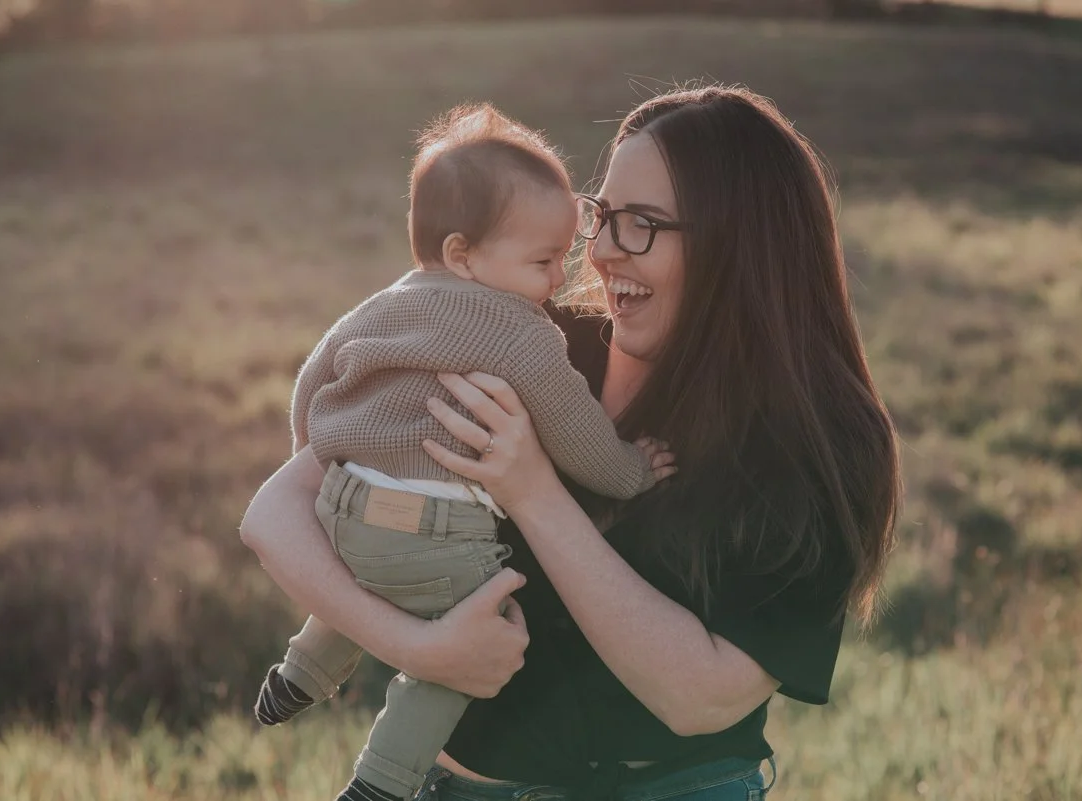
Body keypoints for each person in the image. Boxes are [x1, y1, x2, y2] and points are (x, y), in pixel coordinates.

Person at [241, 84, 901, 801]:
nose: (604, 252)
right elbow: (275, 513)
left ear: (738, 242)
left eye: (642, 224)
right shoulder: (523, 343)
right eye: (604, 216)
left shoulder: (818, 445)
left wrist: (533, 492)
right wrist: (417, 649)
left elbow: (702, 697)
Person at [251, 103, 672, 801]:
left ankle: (301, 672)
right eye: (542, 261)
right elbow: (576, 432)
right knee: (473, 643)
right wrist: (633, 471)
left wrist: (316, 447)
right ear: (461, 254)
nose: (556, 280)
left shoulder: (385, 301)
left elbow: (314, 375)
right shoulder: (523, 333)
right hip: (439, 534)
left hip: (346, 505)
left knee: (368, 570)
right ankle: (382, 781)